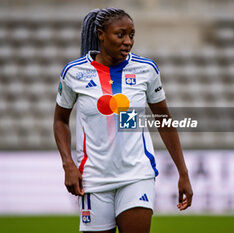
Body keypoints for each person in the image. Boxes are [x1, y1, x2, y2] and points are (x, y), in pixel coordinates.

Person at [53, 8, 193, 233]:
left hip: (136, 175)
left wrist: (183, 173)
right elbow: (60, 120)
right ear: (101, 34)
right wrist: (68, 164)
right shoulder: (74, 73)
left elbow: (164, 120)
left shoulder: (146, 69)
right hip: (93, 179)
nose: (128, 41)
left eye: (132, 35)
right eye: (121, 34)